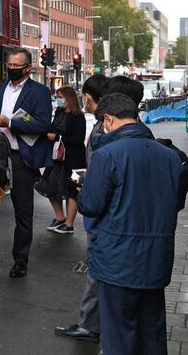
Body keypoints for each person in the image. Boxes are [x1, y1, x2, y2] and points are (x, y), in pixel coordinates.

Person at [78, 93, 182, 355]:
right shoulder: (170, 156)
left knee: (119, 335)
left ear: (108, 120)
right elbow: (174, 202)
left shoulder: (107, 155)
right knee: (152, 332)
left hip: (117, 260)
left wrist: (83, 185)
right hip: (156, 259)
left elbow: (91, 205)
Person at [55, 75, 143, 344]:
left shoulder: (107, 134)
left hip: (107, 216)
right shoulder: (143, 137)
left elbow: (98, 191)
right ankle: (94, 323)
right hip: (126, 221)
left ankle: (91, 325)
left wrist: (87, 187)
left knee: (99, 270)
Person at [0, 48, 52, 278]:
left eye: (16, 65)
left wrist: (10, 122)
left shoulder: (39, 92)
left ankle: (20, 259)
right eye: (9, 64)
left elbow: (42, 125)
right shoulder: (0, 87)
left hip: (21, 157)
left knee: (23, 210)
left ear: (27, 68)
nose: (11, 68)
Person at [38, 86, 86, 234]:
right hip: (56, 158)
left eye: (60, 97)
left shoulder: (78, 116)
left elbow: (78, 140)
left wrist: (58, 137)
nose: (58, 100)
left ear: (69, 98)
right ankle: (60, 217)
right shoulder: (59, 112)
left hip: (74, 160)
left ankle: (69, 223)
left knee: (73, 188)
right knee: (48, 184)